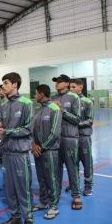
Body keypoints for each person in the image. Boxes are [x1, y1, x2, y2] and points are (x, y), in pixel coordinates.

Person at [0, 72, 34, 224]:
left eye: (6, 83)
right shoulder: (2, 104)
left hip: (20, 152)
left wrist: (7, 131)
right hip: (6, 151)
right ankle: (15, 217)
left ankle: (28, 217)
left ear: (15, 84)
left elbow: (28, 128)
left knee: (23, 186)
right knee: (9, 188)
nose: (3, 86)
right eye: (2, 83)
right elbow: (2, 125)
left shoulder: (26, 103)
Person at [51, 74, 82, 210]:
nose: (57, 83)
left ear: (67, 83)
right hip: (55, 139)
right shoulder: (52, 98)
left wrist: (62, 110)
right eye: (56, 81)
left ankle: (76, 195)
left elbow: (77, 119)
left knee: (72, 167)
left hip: (69, 138)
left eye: (60, 81)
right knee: (56, 169)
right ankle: (55, 195)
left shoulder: (74, 97)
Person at [32, 84, 62, 220]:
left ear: (42, 94)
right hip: (37, 150)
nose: (34, 96)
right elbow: (33, 130)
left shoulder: (54, 109)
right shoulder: (39, 109)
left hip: (49, 150)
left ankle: (54, 206)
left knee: (51, 178)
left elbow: (54, 133)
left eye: (36, 93)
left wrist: (42, 147)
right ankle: (44, 202)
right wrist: (34, 144)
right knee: (41, 177)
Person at [70, 78, 94, 196]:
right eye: (70, 87)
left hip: (83, 136)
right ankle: (74, 184)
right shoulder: (70, 102)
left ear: (81, 87)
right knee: (73, 162)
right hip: (71, 137)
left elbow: (90, 120)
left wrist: (76, 123)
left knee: (87, 161)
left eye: (74, 87)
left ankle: (88, 186)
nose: (71, 89)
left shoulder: (87, 102)